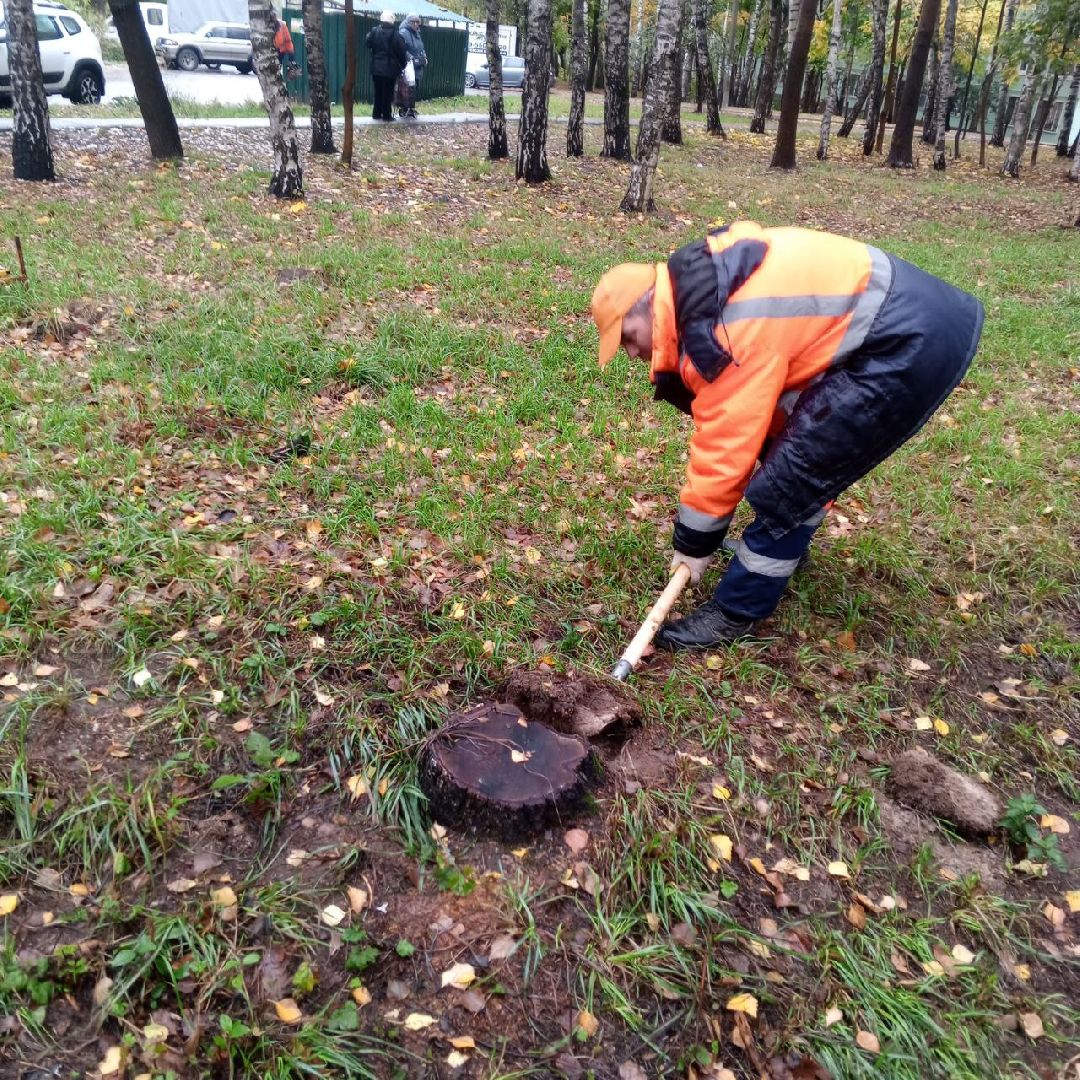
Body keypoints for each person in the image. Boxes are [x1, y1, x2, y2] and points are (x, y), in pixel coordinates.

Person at [590, 222, 985, 650]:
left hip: (906, 339)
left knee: (796, 477)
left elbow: (725, 448)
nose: (631, 352)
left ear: (649, 305)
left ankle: (736, 613)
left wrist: (694, 543)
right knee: (790, 451)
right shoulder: (699, 288)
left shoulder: (720, 330)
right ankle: (784, 550)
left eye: (628, 336)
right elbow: (760, 416)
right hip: (896, 320)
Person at [366, 11, 408, 122]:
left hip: (375, 68)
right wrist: (403, 65)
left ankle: (376, 114)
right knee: (388, 92)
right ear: (392, 20)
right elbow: (402, 52)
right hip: (390, 69)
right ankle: (386, 115)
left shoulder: (375, 31)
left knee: (378, 91)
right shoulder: (397, 35)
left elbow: (368, 43)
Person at [397, 13, 427, 118]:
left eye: (417, 22)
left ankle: (410, 108)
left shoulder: (417, 33)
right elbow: (401, 48)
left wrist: (424, 56)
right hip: (409, 66)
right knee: (407, 87)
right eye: (413, 22)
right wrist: (410, 58)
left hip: (417, 66)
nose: (415, 24)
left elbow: (421, 47)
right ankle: (405, 109)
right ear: (408, 22)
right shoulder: (403, 32)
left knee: (414, 87)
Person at [270, 12, 296, 79]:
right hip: (270, 52)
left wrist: (291, 54)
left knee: (277, 68)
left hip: (280, 51)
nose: (273, 19)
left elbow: (287, 40)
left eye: (274, 17)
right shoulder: (265, 27)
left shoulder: (282, 25)